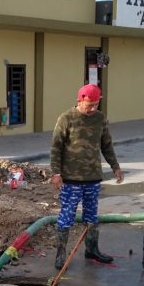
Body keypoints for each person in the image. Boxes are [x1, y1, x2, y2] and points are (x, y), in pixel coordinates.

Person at [49, 84, 124, 270]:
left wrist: (116, 167)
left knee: (92, 216)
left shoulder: (100, 119)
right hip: (71, 179)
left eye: (96, 105)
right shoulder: (66, 118)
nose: (92, 109)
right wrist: (56, 173)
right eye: (89, 105)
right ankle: (60, 254)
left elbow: (107, 145)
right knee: (67, 216)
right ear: (80, 100)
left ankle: (92, 249)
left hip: (93, 177)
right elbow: (56, 147)